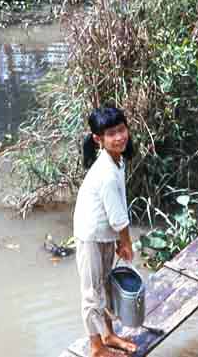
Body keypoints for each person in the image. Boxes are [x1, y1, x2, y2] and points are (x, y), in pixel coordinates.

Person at [73, 106, 138, 357]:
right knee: (91, 292)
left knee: (105, 285)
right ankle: (96, 346)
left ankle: (108, 334)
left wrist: (118, 241)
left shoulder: (117, 160)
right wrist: (126, 243)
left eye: (122, 130)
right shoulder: (106, 172)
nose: (120, 137)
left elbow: (118, 206)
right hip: (90, 234)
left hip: (104, 231)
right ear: (98, 139)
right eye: (111, 133)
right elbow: (118, 217)